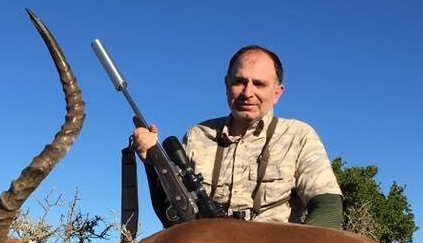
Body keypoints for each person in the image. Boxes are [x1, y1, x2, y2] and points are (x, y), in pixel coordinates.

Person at [132, 45, 343, 228]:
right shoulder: (198, 135)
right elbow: (173, 216)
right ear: (226, 84)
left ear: (277, 93)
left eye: (259, 84)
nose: (248, 93)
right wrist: (153, 164)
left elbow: (329, 209)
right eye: (240, 82)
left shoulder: (298, 135)